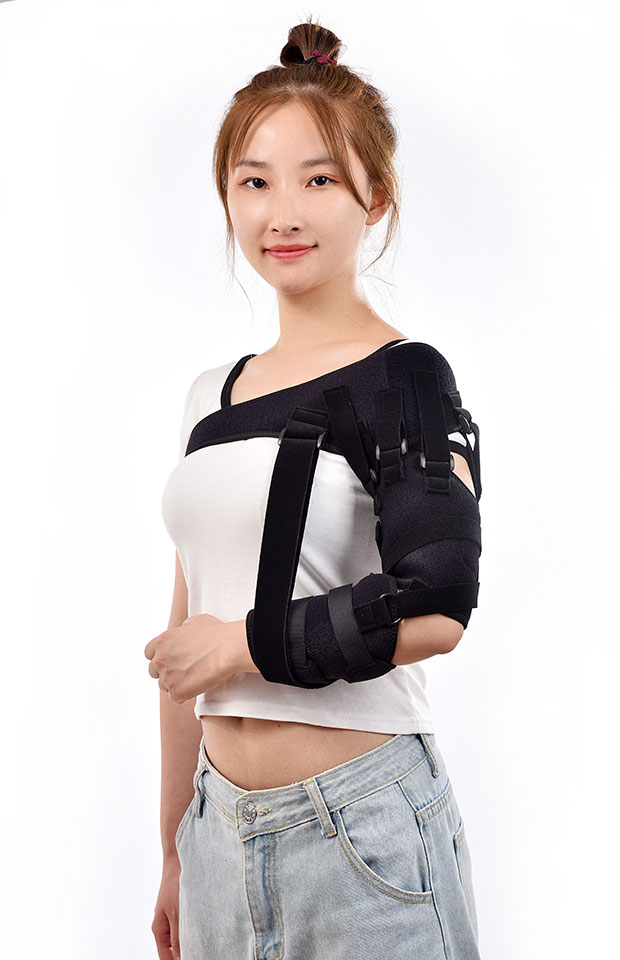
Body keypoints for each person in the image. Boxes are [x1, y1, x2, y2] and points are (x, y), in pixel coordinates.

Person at [146, 16, 483, 960]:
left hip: (362, 832)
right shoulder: (209, 397)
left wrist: (241, 645)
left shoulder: (405, 377)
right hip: (215, 834)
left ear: (376, 198)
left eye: (319, 180)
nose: (282, 213)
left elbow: (438, 603)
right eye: (253, 181)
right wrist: (173, 849)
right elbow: (184, 648)